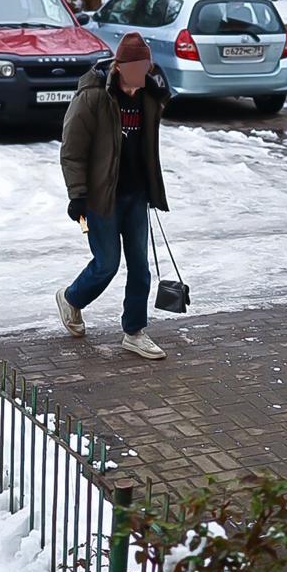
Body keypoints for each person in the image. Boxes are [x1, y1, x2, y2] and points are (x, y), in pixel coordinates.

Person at [56, 32, 170, 359]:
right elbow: (72, 152)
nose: (139, 80)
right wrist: (77, 196)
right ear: (119, 67)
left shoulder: (148, 95)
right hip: (100, 197)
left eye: (144, 71)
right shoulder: (93, 97)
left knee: (140, 268)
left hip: (136, 195)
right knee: (107, 264)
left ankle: (134, 331)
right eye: (134, 72)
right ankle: (71, 299)